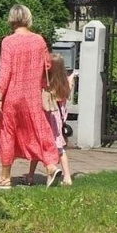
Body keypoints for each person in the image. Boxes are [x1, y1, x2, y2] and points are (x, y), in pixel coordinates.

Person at [0, 4, 63, 189]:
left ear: (11, 19)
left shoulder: (8, 42)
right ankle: (51, 166)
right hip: (33, 96)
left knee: (7, 133)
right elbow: (48, 65)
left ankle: (5, 178)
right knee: (39, 131)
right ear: (28, 18)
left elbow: (5, 72)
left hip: (12, 97)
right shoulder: (39, 40)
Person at [45, 54, 76, 187]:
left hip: (50, 118)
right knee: (59, 148)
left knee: (47, 146)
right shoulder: (65, 84)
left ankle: (32, 174)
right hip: (59, 120)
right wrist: (72, 78)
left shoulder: (49, 84)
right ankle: (67, 176)